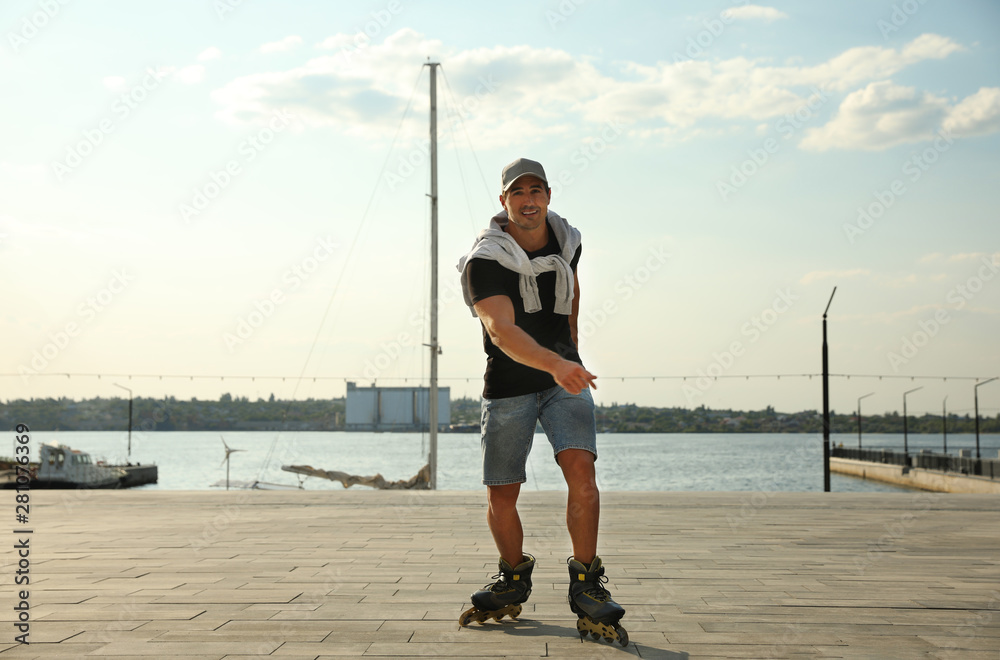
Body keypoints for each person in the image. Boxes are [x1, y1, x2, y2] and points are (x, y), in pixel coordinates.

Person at [455, 158, 628, 646]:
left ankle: (586, 584)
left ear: (548, 195)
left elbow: (571, 294)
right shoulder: (485, 260)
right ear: (505, 202)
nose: (528, 201)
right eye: (517, 193)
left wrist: (569, 351)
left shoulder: (567, 242)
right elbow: (500, 330)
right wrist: (555, 363)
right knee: (502, 493)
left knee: (582, 473)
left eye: (537, 191)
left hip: (563, 380)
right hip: (509, 385)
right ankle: (513, 576)